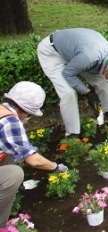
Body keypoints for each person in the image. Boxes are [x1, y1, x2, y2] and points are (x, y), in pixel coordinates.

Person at [37, 28, 108, 137]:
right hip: (53, 53)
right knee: (68, 93)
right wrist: (88, 92)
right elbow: (67, 73)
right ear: (107, 69)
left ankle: (106, 114)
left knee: (106, 83)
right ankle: (72, 133)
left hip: (78, 53)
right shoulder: (89, 57)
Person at [0, 82, 68, 229]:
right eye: (30, 114)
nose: (28, 117)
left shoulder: (2, 110)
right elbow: (34, 160)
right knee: (14, 174)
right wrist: (56, 167)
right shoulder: (11, 121)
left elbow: (21, 148)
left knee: (13, 155)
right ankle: (1, 225)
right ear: (25, 110)